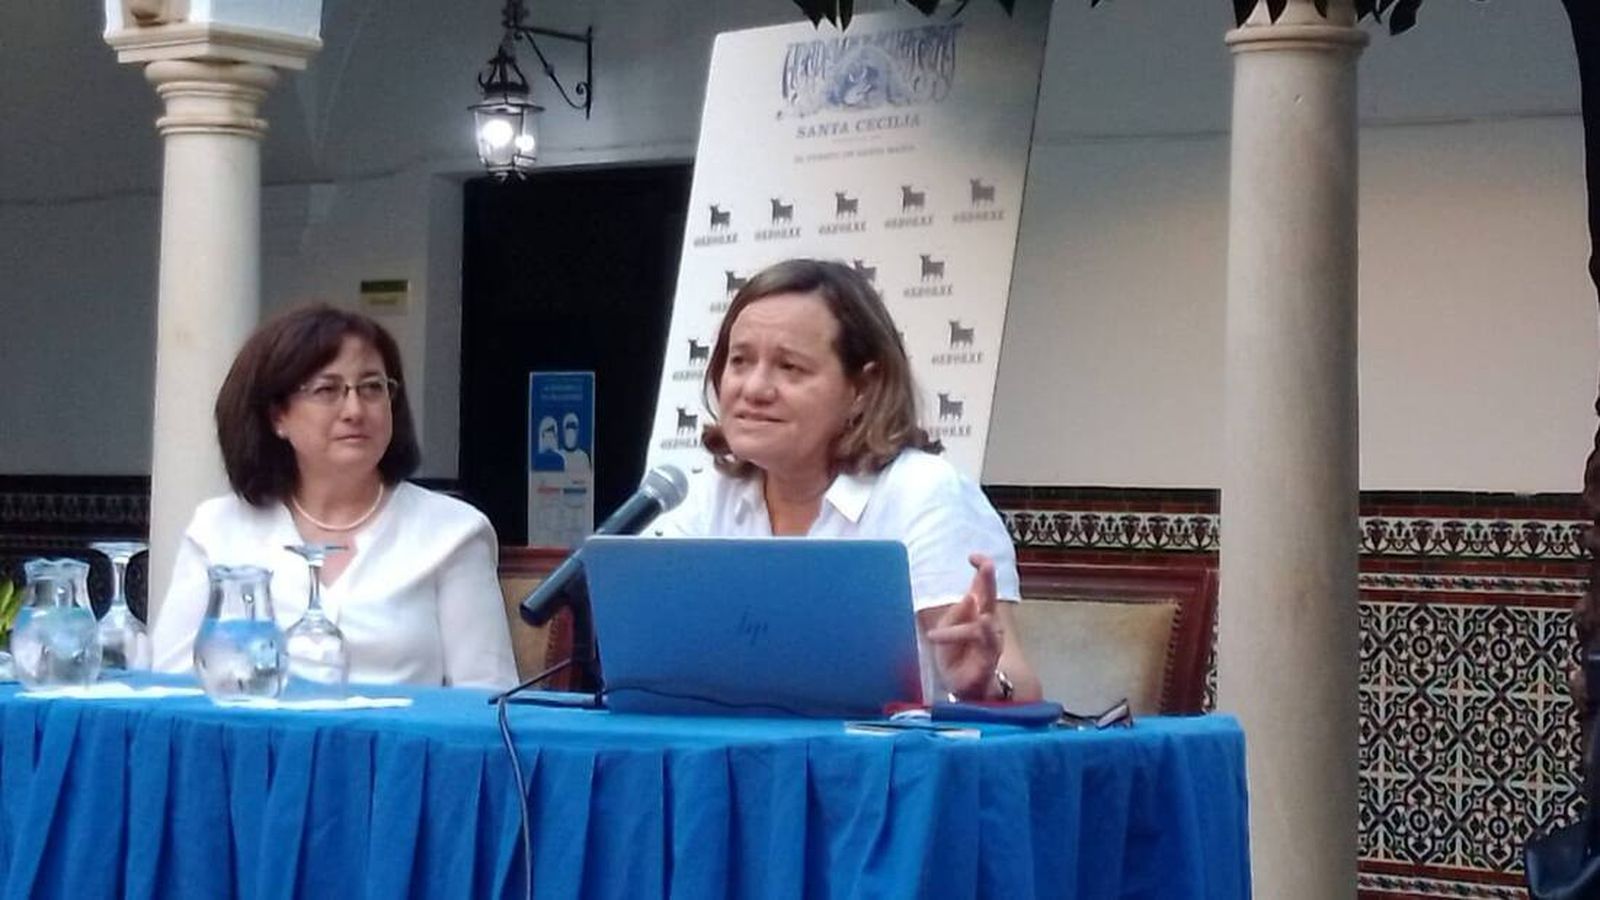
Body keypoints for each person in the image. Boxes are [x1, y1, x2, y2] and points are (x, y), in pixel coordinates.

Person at [655, 258, 1041, 703]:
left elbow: (1021, 686)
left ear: (862, 388)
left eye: (790, 368)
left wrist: (984, 686)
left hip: (889, 766)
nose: (754, 388)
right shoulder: (705, 496)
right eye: (739, 361)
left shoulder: (923, 493)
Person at [151, 304, 517, 689]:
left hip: (395, 746)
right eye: (328, 390)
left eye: (373, 388)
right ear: (277, 416)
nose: (355, 410)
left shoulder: (453, 532)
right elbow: (167, 684)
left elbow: (487, 697)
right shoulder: (218, 529)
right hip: (252, 745)